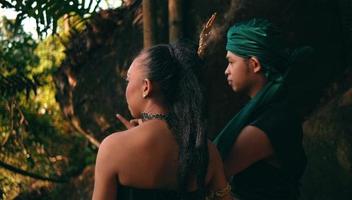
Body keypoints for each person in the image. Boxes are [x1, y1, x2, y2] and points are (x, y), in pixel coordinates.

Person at [92, 43, 232, 200]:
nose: (126, 86)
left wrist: (131, 138)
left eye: (128, 79)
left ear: (146, 87)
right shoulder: (207, 151)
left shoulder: (113, 149)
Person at [213, 18, 308, 200]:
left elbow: (212, 171)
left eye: (231, 62)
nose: (226, 70)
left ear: (255, 64)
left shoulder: (270, 123)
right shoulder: (271, 111)